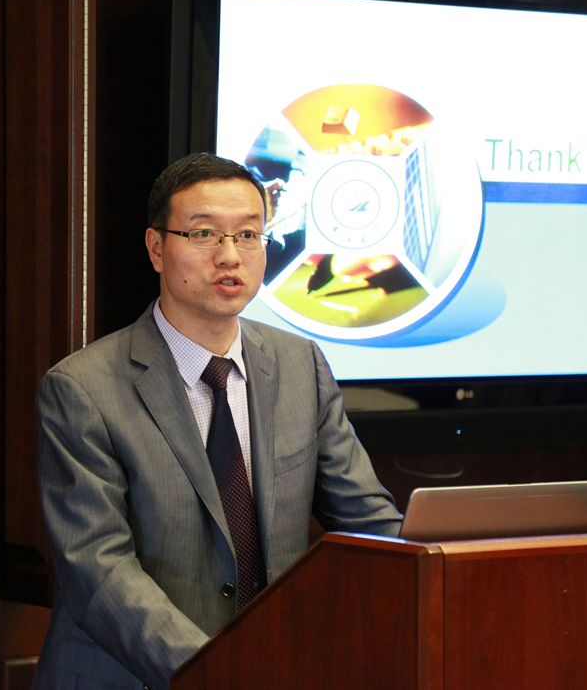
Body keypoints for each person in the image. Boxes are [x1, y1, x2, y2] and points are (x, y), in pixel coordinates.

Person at [32, 152, 403, 690]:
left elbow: (367, 520)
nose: (230, 256)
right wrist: (215, 670)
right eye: (204, 234)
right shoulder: (82, 389)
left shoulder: (300, 365)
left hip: (272, 666)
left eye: (248, 235)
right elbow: (97, 568)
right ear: (157, 248)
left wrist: (444, 563)